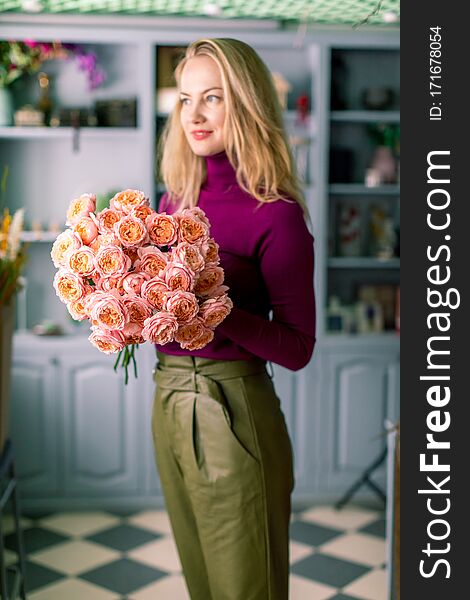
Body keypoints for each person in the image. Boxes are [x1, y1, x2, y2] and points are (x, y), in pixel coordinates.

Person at [151, 38, 316, 600]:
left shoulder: (276, 214)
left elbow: (298, 348)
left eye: (213, 98)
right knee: (204, 586)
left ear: (244, 104)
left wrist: (217, 313)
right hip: (169, 399)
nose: (194, 115)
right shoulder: (174, 200)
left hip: (233, 413)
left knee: (248, 591)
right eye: (185, 99)